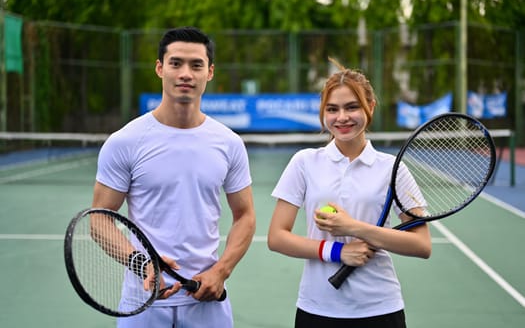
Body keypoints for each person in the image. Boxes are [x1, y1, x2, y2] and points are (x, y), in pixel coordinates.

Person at [92, 26, 256, 328]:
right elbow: (99, 219)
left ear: (210, 72)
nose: (186, 74)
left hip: (207, 303)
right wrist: (142, 265)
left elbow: (245, 215)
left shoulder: (229, 143)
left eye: (196, 65)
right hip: (142, 302)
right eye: (176, 63)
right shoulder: (125, 141)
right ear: (160, 68)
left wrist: (220, 272)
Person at [267, 58, 432, 328]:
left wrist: (353, 227)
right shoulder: (304, 162)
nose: (341, 117)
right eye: (332, 109)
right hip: (317, 308)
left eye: (352, 107)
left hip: (380, 308)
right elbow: (277, 237)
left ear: (370, 107)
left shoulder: (393, 169)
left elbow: (422, 245)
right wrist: (337, 251)